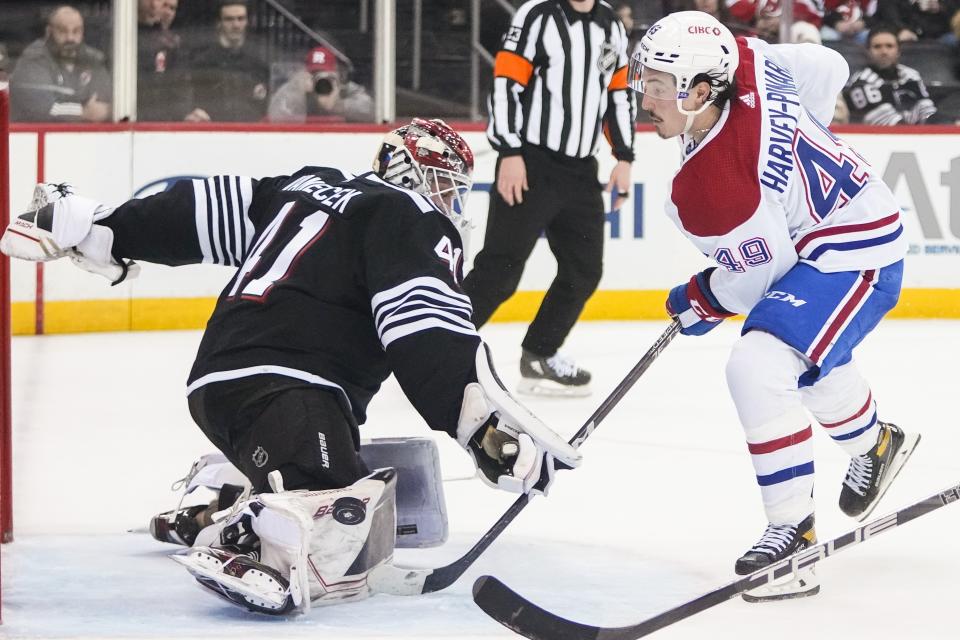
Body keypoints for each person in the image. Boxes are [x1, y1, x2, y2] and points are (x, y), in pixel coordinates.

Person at [0, 118, 581, 615]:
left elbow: (197, 213)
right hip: (292, 387)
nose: (453, 205)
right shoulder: (410, 218)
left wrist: (102, 224)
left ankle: (230, 491)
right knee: (342, 527)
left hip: (219, 379)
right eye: (447, 188)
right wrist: (482, 428)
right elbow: (425, 334)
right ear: (415, 176)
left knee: (393, 493)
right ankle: (250, 535)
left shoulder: (309, 184)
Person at [629, 11, 920, 601]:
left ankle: (795, 535)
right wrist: (794, 131)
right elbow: (830, 65)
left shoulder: (711, 188)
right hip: (839, 227)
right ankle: (876, 444)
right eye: (645, 78)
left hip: (852, 251)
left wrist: (701, 298)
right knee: (798, 351)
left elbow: (756, 278)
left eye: (659, 85)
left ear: (702, 90)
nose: (644, 96)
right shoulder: (749, 59)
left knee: (759, 364)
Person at [463, 0, 636, 398]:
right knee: (499, 272)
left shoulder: (610, 24)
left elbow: (618, 93)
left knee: (583, 270)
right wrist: (509, 151)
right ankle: (433, 345)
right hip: (531, 162)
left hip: (581, 171)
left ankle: (540, 353)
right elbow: (506, 83)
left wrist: (623, 158)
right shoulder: (536, 16)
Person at [9, 5, 111, 122]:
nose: (70, 38)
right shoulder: (33, 58)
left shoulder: (93, 59)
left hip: (90, 137)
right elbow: (44, 108)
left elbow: (105, 104)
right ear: (49, 32)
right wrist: (83, 111)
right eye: (63, 31)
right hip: (35, 137)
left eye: (76, 31)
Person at [843, 25, 942, 125]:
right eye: (877, 47)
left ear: (898, 51)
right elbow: (885, 122)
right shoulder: (861, 82)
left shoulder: (911, 75)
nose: (884, 52)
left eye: (889, 46)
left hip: (916, 134)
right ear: (868, 52)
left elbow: (926, 110)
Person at [187, 0, 268, 122]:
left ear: (247, 22)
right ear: (219, 23)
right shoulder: (203, 62)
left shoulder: (258, 63)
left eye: (240, 19)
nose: (236, 25)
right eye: (229, 19)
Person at [267, 45, 374, 123]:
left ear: (336, 74)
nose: (321, 79)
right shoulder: (296, 88)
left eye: (326, 73)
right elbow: (277, 120)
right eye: (315, 74)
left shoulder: (343, 86)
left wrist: (338, 105)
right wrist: (297, 91)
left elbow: (371, 111)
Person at [138, 0, 193, 121]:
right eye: (164, 6)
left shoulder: (174, 45)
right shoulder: (120, 35)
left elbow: (182, 93)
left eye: (172, 8)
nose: (167, 12)